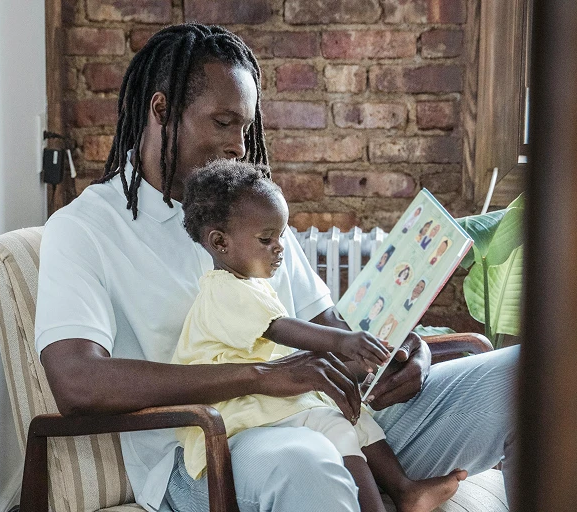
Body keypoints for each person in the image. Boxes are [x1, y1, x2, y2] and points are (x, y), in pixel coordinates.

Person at [35, 23, 519, 512]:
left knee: (536, 373)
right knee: (306, 461)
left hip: (332, 421)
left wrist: (401, 351)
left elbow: (332, 333)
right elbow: (77, 381)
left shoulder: (251, 213)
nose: (240, 146)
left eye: (244, 126)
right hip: (212, 449)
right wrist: (261, 375)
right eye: (223, 123)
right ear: (161, 110)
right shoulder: (85, 229)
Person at [172, 160, 467, 512]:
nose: (279, 247)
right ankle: (390, 497)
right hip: (238, 410)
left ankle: (403, 489)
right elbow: (281, 328)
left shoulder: (251, 285)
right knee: (337, 423)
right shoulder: (224, 289)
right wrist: (344, 341)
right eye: (266, 239)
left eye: (281, 236)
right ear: (219, 242)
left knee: (354, 416)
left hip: (264, 401)